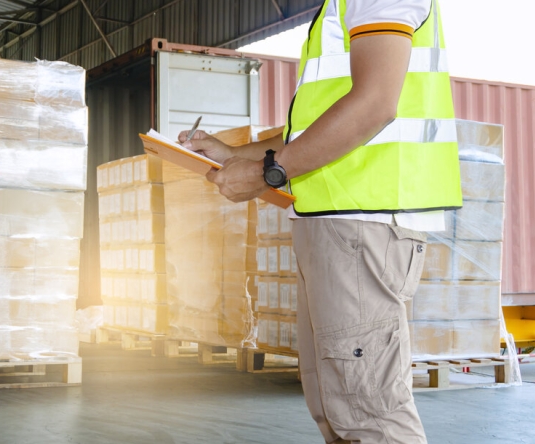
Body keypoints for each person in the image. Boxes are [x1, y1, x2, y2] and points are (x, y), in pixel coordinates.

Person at [179, 0, 462, 442]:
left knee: (368, 413)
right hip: (336, 221)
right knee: (335, 407)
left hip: (363, 220)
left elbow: (373, 105)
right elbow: (309, 129)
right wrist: (234, 154)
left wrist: (264, 173)